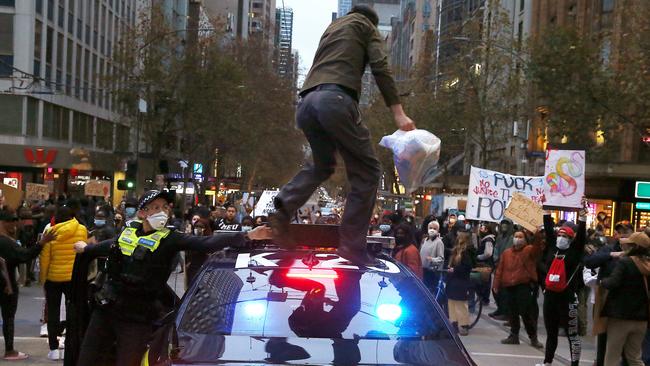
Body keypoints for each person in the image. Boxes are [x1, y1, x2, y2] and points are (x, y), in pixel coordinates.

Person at [269, 4, 415, 266]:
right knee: (368, 171)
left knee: (322, 166)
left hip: (306, 104)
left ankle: (282, 210)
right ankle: (351, 247)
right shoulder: (365, 26)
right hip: (335, 100)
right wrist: (398, 112)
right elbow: (381, 67)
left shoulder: (332, 29)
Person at [72, 190, 272, 366]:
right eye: (156, 207)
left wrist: (247, 237)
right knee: (87, 359)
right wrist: (86, 249)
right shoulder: (129, 231)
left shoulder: (170, 239)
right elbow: (110, 245)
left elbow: (206, 243)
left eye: (165, 208)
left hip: (136, 318)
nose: (162, 212)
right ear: (143, 213)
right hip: (106, 310)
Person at [0, 209, 56, 361]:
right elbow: (24, 255)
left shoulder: (7, 240)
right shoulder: (5, 242)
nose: (16, 224)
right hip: (7, 285)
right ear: (5, 222)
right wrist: (41, 244)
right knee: (8, 317)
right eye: (13, 220)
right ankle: (10, 350)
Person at [536, 206, 587, 366]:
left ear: (571, 239)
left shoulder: (575, 252)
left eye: (565, 235)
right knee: (551, 333)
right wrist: (546, 211)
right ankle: (547, 362)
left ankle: (575, 364)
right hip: (550, 297)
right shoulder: (553, 248)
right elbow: (549, 229)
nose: (561, 237)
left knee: (573, 334)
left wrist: (582, 217)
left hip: (568, 299)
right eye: (560, 234)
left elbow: (582, 236)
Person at [40, 206, 87, 361]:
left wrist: (43, 279)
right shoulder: (81, 229)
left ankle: (54, 349)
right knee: (73, 311)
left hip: (54, 278)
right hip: (74, 277)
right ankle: (70, 343)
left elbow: (45, 259)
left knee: (53, 313)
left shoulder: (51, 232)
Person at [584, 221, 634, 366]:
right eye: (619, 233)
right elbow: (589, 262)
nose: (623, 236)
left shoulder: (638, 253)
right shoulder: (608, 249)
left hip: (627, 304)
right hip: (606, 301)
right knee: (603, 339)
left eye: (626, 233)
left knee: (627, 344)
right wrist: (612, 255)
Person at [600, 232, 650, 366]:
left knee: (612, 356)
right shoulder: (647, 264)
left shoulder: (626, 263)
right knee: (634, 357)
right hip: (642, 319)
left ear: (634, 247)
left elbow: (613, 283)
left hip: (621, 317)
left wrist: (601, 281)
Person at [492, 229, 544, 348]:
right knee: (512, 312)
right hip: (509, 286)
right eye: (516, 236)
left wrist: (537, 234)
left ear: (525, 239)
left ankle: (533, 337)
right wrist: (496, 284)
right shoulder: (506, 253)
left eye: (520, 237)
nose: (517, 239)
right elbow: (500, 269)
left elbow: (537, 249)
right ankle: (514, 335)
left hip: (523, 286)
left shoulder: (529, 250)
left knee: (526, 313)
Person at [446, 232, 475, 336]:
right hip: (453, 280)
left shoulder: (466, 252)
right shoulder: (456, 251)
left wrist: (455, 269)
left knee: (460, 304)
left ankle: (463, 325)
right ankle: (454, 323)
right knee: (452, 303)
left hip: (460, 281)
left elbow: (467, 267)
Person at [489, 218, 515, 320]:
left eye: (506, 224)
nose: (504, 226)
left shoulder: (512, 238)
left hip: (507, 268)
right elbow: (496, 249)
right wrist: (496, 261)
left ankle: (506, 312)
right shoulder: (499, 237)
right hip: (498, 266)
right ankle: (500, 309)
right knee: (495, 289)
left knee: (505, 292)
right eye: (503, 223)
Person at [420, 220, 444, 291]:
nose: (432, 230)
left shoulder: (439, 242)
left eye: (434, 228)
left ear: (438, 230)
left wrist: (432, 259)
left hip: (432, 273)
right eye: (430, 228)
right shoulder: (424, 240)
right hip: (423, 271)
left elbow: (441, 259)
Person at [476, 222, 496, 305]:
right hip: (485, 264)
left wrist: (479, 257)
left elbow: (488, 253)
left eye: (482, 228)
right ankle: (483, 298)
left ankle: (484, 299)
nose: (480, 229)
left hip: (485, 264)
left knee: (485, 282)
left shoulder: (488, 240)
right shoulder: (486, 239)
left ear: (487, 230)